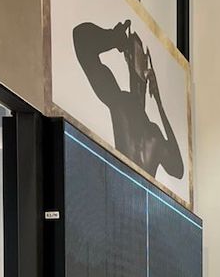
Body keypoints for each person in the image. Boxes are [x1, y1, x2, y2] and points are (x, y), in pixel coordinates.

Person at [72, 20, 185, 181]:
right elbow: (178, 169)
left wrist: (112, 38)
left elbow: (81, 38)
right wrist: (158, 102)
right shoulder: (154, 134)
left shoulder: (121, 105)